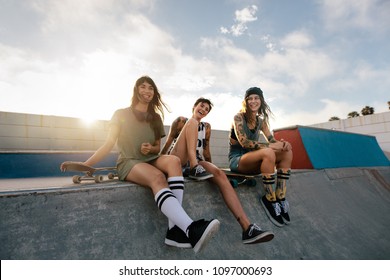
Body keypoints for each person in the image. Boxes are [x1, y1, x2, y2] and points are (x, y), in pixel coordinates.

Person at [61, 76, 220, 253]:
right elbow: (108, 144)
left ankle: (174, 230)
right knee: (158, 177)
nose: (147, 91)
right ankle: (190, 228)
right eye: (143, 87)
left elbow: (157, 148)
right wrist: (85, 164)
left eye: (150, 88)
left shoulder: (155, 118)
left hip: (149, 159)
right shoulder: (120, 114)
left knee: (174, 161)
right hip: (129, 161)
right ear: (136, 90)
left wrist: (150, 148)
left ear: (154, 93)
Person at [161, 97, 275, 244]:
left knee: (220, 175)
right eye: (201, 106)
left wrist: (214, 171)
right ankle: (195, 167)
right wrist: (161, 163)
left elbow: (206, 152)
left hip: (195, 159)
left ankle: (247, 228)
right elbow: (168, 143)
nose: (203, 110)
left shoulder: (206, 127)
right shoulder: (182, 121)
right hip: (176, 158)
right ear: (194, 106)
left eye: (207, 109)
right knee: (192, 122)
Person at [229, 86, 293, 227]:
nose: (253, 101)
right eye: (250, 98)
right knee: (268, 151)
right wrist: (271, 147)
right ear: (245, 101)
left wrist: (282, 144)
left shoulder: (261, 121)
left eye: (256, 98)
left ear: (261, 100)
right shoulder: (238, 117)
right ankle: (269, 198)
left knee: (287, 151)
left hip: (256, 161)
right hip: (238, 161)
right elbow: (244, 142)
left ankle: (280, 196)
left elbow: (271, 141)